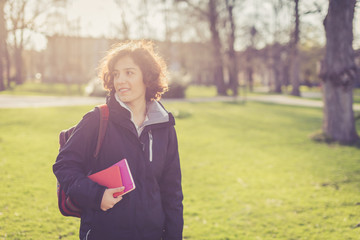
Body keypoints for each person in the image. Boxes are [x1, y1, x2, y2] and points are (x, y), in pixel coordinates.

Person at [53, 40, 183, 240]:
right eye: (116, 74)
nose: (120, 80)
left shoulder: (164, 126)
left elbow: (172, 193)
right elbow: (64, 166)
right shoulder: (97, 119)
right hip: (103, 233)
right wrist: (97, 196)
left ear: (146, 77)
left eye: (129, 73)